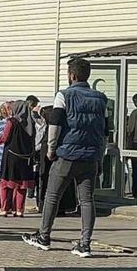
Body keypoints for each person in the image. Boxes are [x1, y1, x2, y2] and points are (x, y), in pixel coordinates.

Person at [23, 58, 108, 258]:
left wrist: (51, 149)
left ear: (72, 75)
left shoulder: (64, 95)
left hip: (67, 154)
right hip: (91, 156)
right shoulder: (101, 98)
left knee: (53, 195)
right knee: (87, 200)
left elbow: (55, 124)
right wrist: (100, 157)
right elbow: (105, 131)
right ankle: (85, 244)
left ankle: (44, 237)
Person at [0, 100, 36, 217]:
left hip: (11, 156)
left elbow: (3, 138)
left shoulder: (11, 122)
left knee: (5, 183)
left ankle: (4, 208)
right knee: (22, 185)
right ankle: (19, 210)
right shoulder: (30, 123)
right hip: (26, 157)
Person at [126, 94, 137, 200]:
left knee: (135, 169)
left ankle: (135, 192)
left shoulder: (134, 113)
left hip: (135, 143)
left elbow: (130, 129)